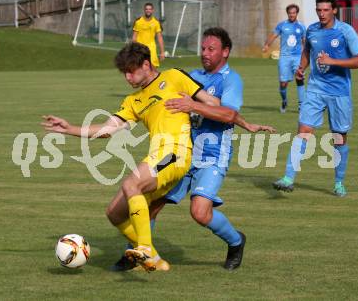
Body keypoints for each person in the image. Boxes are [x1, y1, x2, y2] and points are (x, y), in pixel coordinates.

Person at [43, 42, 266, 272]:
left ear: (146, 64)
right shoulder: (133, 101)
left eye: (131, 70)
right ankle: (155, 261)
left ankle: (145, 250)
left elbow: (216, 106)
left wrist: (204, 109)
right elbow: (108, 129)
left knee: (133, 185)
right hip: (157, 156)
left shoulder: (174, 76)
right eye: (124, 73)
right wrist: (69, 128)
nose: (127, 77)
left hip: (176, 153)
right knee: (115, 213)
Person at [112, 28, 275, 272]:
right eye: (202, 48)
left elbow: (228, 113)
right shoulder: (193, 75)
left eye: (211, 49)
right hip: (181, 152)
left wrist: (193, 106)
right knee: (150, 203)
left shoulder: (231, 80)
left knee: (199, 212)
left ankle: (236, 241)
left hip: (211, 155)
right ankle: (137, 252)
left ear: (225, 52)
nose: (205, 53)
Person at [272, 0, 358, 197]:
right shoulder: (312, 30)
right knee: (303, 130)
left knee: (338, 138)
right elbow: (307, 51)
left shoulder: (345, 31)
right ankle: (288, 178)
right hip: (315, 89)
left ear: (334, 10)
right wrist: (301, 68)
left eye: (325, 10)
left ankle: (339, 182)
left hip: (339, 93)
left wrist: (333, 61)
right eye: (318, 10)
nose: (321, 14)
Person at [262, 4, 306, 113]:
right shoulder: (282, 25)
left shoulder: (301, 26)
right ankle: (284, 100)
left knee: (299, 79)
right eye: (290, 13)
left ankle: (301, 105)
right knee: (283, 83)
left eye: (294, 13)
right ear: (288, 13)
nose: (292, 15)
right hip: (284, 58)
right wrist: (267, 45)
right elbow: (273, 35)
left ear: (297, 13)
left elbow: (305, 42)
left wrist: (306, 55)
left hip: (297, 57)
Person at [132, 3, 165, 68]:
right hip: (140, 48)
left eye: (150, 9)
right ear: (144, 10)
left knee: (153, 67)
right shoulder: (138, 22)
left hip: (151, 49)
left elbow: (160, 38)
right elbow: (134, 37)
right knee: (140, 68)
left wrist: (162, 52)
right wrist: (133, 50)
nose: (148, 10)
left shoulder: (156, 22)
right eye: (146, 9)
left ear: (152, 10)